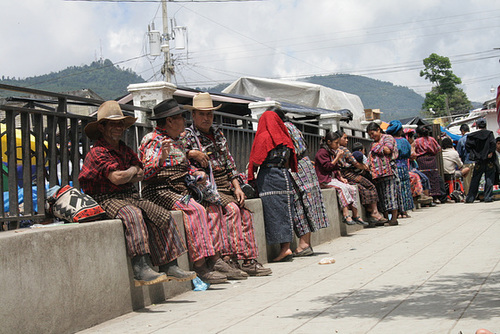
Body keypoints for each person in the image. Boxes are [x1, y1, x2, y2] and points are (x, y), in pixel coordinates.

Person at [78, 100, 196, 287]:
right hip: (106, 198)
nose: (118, 128)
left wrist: (130, 173)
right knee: (132, 215)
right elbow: (117, 177)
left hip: (128, 195)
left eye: (120, 124)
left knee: (162, 214)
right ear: (102, 127)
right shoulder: (97, 152)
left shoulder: (124, 149)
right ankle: (140, 267)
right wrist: (131, 172)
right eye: (113, 124)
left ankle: (169, 264)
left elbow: (141, 173)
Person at [138, 98, 247, 284]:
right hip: (160, 189)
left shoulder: (178, 140)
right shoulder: (152, 140)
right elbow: (145, 172)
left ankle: (216, 259)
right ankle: (200, 266)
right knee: (195, 210)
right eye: (180, 117)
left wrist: (195, 172)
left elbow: (185, 165)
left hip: (180, 187)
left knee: (212, 204)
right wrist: (161, 160)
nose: (184, 121)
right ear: (170, 121)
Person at [183, 92, 271, 276]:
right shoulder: (188, 136)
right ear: (193, 115)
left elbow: (229, 162)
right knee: (232, 209)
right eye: (202, 114)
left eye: (209, 114)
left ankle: (247, 259)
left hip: (225, 183)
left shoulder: (218, 133)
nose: (206, 118)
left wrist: (237, 187)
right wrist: (191, 153)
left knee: (244, 211)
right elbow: (178, 158)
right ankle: (227, 259)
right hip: (208, 186)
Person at [248, 107, 297, 262]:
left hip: (269, 177)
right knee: (285, 211)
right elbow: (290, 162)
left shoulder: (264, 137)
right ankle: (286, 247)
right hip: (284, 176)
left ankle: (284, 249)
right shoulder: (285, 136)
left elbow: (256, 161)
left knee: (273, 213)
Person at [284, 120, 330, 256]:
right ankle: (306, 244)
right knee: (308, 205)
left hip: (297, 168)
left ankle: (304, 245)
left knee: (300, 205)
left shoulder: (284, 128)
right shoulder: (293, 127)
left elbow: (290, 151)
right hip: (306, 166)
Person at [315, 131, 366, 226]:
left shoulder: (332, 152)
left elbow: (336, 168)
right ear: (329, 142)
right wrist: (337, 157)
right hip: (324, 180)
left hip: (333, 179)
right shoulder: (322, 153)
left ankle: (355, 214)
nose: (338, 145)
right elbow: (328, 167)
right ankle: (346, 214)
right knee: (341, 189)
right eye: (336, 143)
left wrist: (341, 178)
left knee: (351, 188)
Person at [336, 131, 385, 225]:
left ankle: (369, 211)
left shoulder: (334, 150)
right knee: (370, 186)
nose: (347, 140)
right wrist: (364, 167)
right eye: (345, 138)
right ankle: (374, 212)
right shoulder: (343, 150)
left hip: (342, 176)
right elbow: (354, 162)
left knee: (361, 188)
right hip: (348, 174)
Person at [366, 122, 400, 226]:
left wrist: (377, 146)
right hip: (378, 174)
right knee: (382, 196)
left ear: (378, 130)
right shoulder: (373, 143)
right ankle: (385, 218)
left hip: (389, 172)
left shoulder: (387, 138)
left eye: (373, 133)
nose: (372, 136)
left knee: (391, 195)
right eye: (370, 135)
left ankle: (394, 218)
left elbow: (387, 150)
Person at [386, 120, 414, 218]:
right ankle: (404, 211)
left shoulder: (389, 141)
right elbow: (409, 154)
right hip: (404, 167)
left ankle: (397, 212)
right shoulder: (404, 141)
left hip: (393, 167)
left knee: (395, 189)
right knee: (405, 188)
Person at [465, 118, 496, 203]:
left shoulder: (472, 136)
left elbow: (468, 146)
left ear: (477, 126)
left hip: (478, 160)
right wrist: (490, 152)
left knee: (475, 179)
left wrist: (474, 153)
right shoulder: (489, 134)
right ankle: (488, 197)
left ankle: (470, 198)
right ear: (485, 125)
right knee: (489, 178)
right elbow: (493, 143)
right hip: (489, 160)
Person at [413, 125, 442, 202]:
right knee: (433, 177)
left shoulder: (416, 141)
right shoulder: (432, 139)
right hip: (432, 159)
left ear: (418, 134)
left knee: (424, 177)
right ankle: (435, 197)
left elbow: (413, 152)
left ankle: (427, 196)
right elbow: (438, 149)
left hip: (421, 160)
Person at [456, 124, 474, 194]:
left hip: (467, 162)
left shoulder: (461, 140)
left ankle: (469, 195)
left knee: (467, 181)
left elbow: (459, 154)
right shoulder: (474, 138)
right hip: (476, 162)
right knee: (475, 179)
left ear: (462, 131)